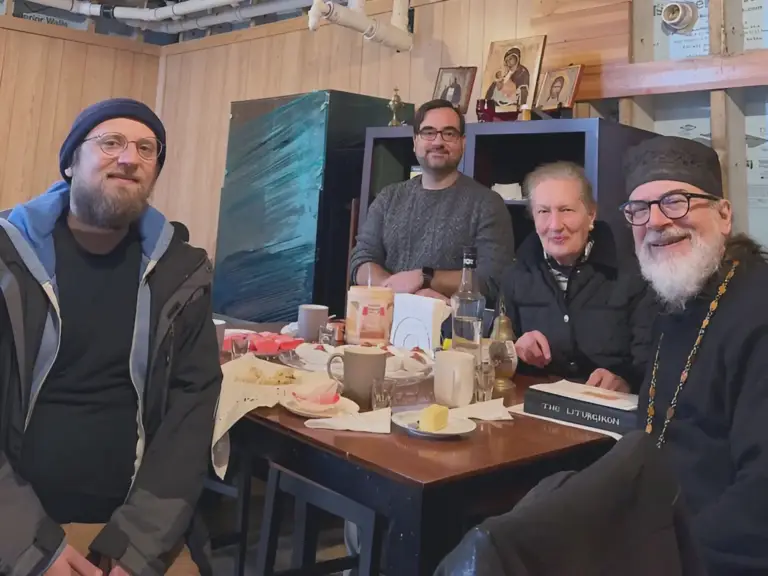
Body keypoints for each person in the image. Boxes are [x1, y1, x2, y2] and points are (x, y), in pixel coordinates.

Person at [0, 98, 222, 576]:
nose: (129, 157)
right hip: (12, 524)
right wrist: (30, 546)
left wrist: (136, 545)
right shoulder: (7, 263)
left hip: (130, 528)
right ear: (69, 162)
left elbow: (191, 415)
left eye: (147, 149)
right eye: (110, 142)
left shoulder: (180, 277)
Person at [622, 135, 768, 574]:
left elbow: (761, 495)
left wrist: (663, 558)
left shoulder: (757, 311)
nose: (657, 222)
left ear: (724, 215)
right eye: (640, 210)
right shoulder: (676, 301)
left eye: (676, 201)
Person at [501, 161, 656, 392]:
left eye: (566, 210)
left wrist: (625, 381)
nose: (555, 225)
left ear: (591, 215)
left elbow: (652, 364)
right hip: (534, 408)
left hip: (608, 410)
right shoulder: (515, 275)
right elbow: (493, 352)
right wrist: (513, 349)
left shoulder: (634, 276)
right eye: (543, 212)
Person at [349, 99, 514, 302]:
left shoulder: (488, 204)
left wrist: (425, 277)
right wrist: (392, 288)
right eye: (428, 132)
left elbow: (492, 279)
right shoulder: (388, 198)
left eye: (449, 133)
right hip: (385, 324)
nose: (438, 142)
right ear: (415, 141)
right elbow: (361, 260)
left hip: (452, 329)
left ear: (463, 142)